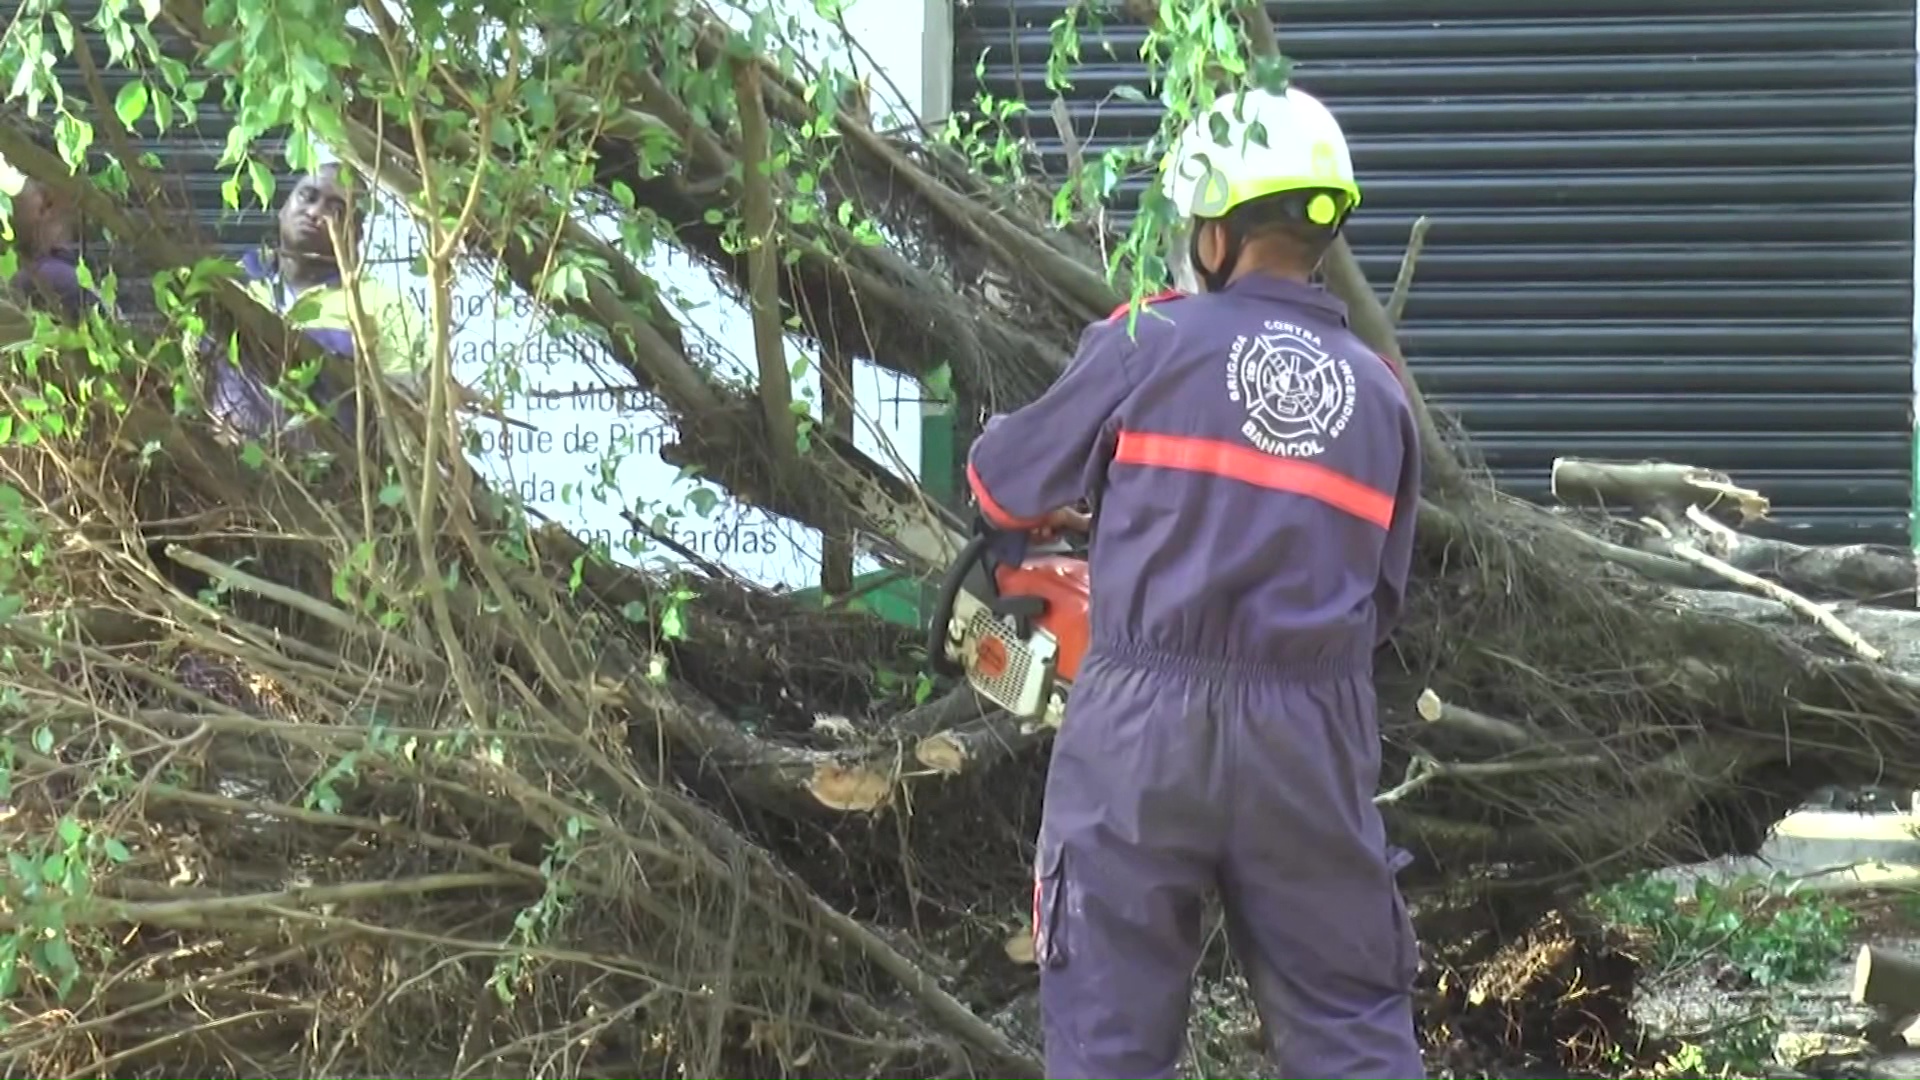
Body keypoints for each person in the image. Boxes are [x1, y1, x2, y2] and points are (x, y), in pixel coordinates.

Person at [964, 84, 1425, 1080]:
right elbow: (1380, 602)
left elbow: (1001, 487)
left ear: (1213, 231)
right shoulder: (1382, 397)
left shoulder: (1153, 339)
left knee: (1109, 1039)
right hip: (1313, 736)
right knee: (1351, 1032)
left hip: (1140, 733)